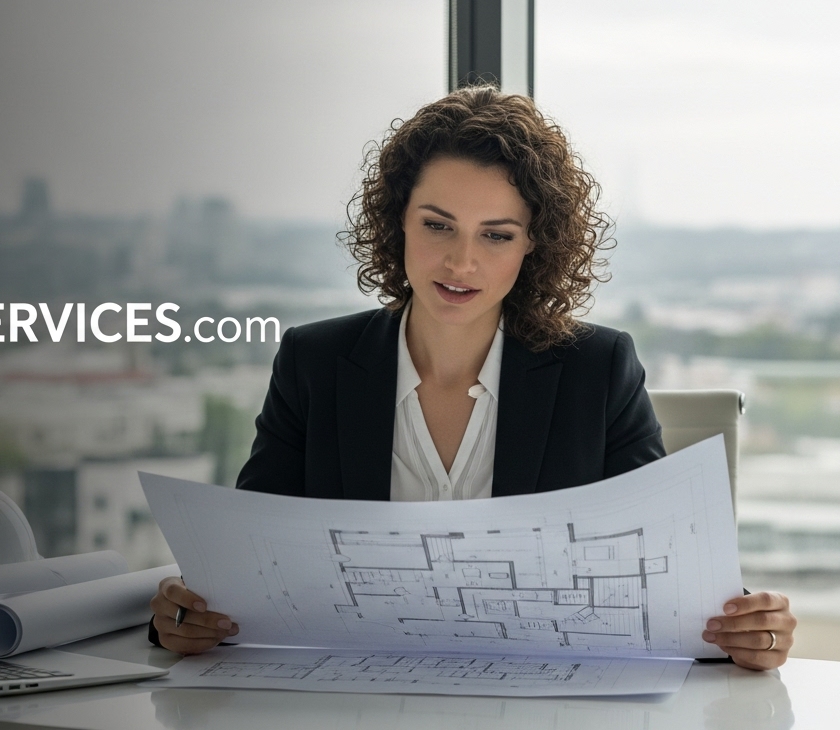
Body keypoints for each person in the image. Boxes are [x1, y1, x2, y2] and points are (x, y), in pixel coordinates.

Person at [149, 85, 796, 670]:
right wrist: (184, 618)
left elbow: (659, 575)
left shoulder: (598, 371)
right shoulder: (314, 364)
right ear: (397, 219)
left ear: (533, 244)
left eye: (496, 234)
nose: (462, 261)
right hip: (347, 704)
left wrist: (746, 625)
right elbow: (243, 576)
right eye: (438, 225)